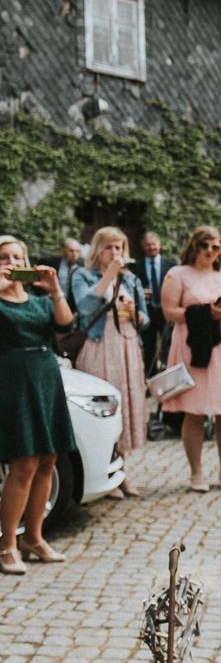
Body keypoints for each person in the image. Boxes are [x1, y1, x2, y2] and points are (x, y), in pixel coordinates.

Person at [0, 235, 74, 573]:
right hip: (14, 381)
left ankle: (34, 536)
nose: (11, 262)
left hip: (46, 377)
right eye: (3, 257)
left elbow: (66, 324)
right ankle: (8, 544)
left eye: (17, 256)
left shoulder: (40, 300)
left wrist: (55, 287)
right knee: (24, 461)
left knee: (48, 458)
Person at [160, 226, 221, 492]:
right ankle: (196, 472)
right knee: (195, 411)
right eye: (204, 246)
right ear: (194, 247)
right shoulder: (178, 274)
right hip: (192, 345)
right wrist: (202, 313)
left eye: (215, 246)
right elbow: (169, 311)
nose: (210, 251)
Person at [72, 226, 149, 498]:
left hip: (127, 345)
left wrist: (137, 315)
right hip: (100, 345)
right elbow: (85, 306)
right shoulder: (82, 275)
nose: (115, 252)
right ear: (97, 249)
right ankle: (105, 476)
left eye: (119, 248)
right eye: (109, 247)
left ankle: (121, 474)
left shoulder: (132, 280)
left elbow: (145, 317)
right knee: (103, 409)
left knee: (125, 407)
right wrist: (108, 276)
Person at [132, 231, 176, 374]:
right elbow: (131, 289)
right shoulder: (136, 267)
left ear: (159, 244)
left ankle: (169, 375)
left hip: (166, 310)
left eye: (154, 244)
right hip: (148, 310)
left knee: (168, 345)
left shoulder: (171, 265)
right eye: (148, 245)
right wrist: (140, 293)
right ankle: (151, 378)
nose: (151, 247)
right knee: (149, 346)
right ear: (143, 247)